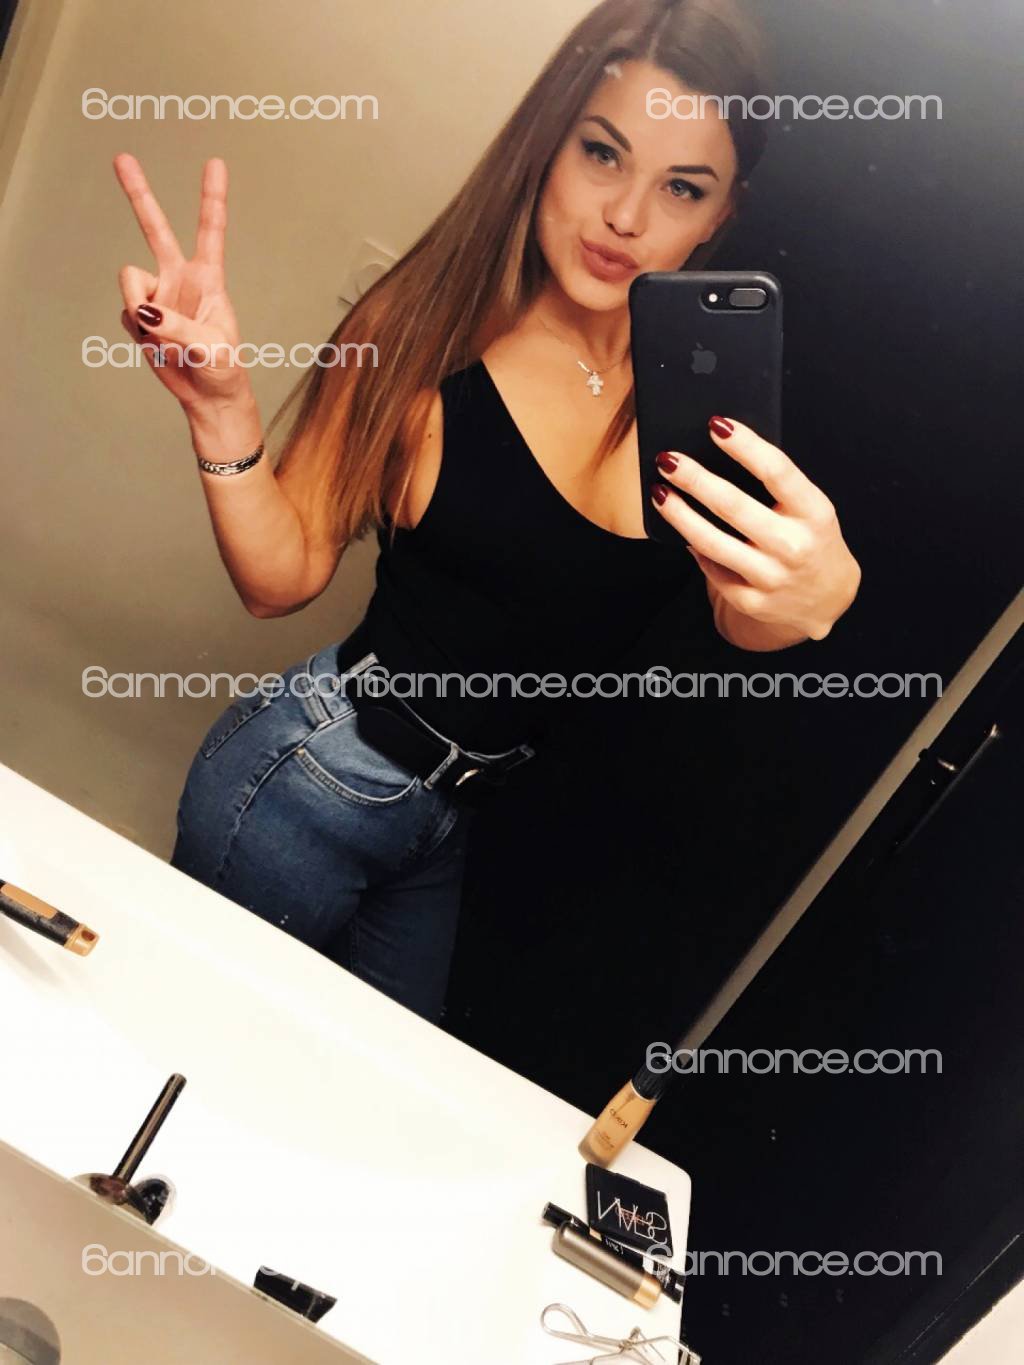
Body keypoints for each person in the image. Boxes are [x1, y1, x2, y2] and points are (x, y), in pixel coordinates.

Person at [112, 0, 861, 1024]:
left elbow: (741, 613)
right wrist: (221, 412)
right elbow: (281, 579)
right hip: (313, 774)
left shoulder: (700, 395)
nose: (626, 216)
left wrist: (821, 599)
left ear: (719, 217)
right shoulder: (422, 330)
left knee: (363, 1093)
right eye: (602, 153)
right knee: (186, 1046)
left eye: (681, 186)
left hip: (450, 822)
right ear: (548, 145)